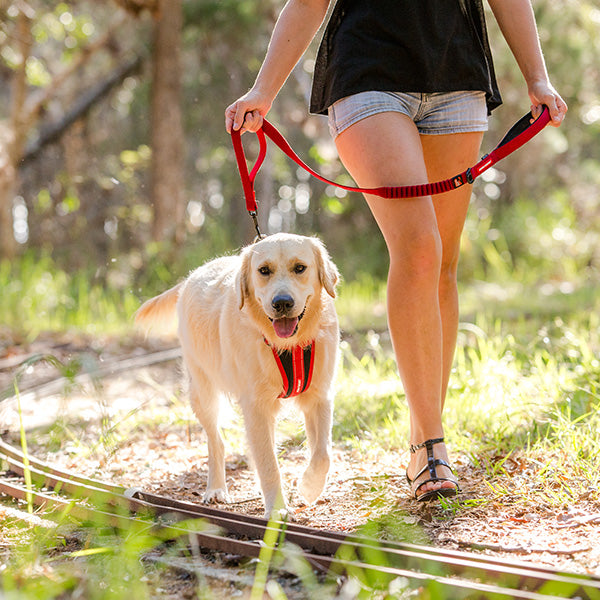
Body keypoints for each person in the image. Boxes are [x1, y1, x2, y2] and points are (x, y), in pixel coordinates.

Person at [225, 0, 567, 502]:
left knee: (443, 264)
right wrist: (264, 90)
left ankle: (423, 435)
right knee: (419, 250)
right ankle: (432, 447)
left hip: (457, 70)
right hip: (368, 71)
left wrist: (537, 76)